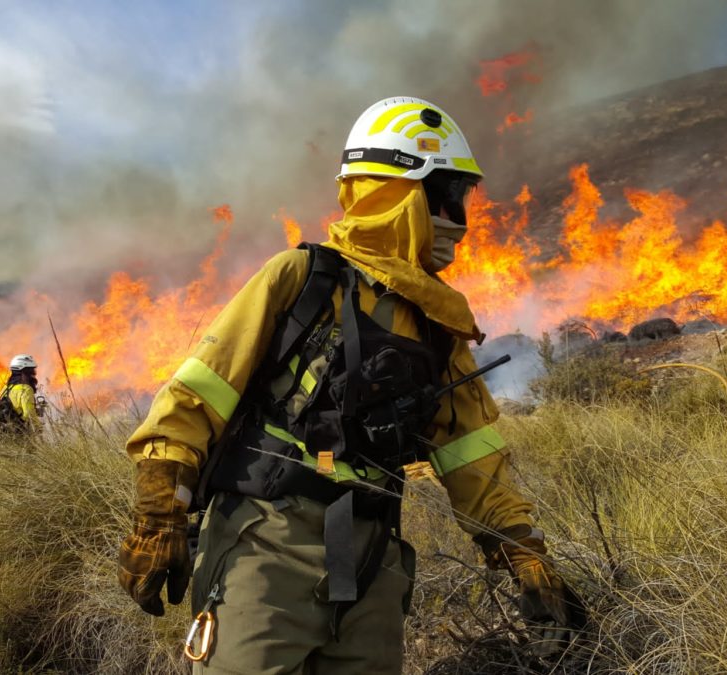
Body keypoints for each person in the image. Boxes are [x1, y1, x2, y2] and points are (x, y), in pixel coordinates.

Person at [117, 96, 584, 674]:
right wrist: (159, 515)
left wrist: (522, 553)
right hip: (264, 543)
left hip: (373, 559)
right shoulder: (302, 280)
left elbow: (471, 455)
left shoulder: (437, 326)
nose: (458, 219)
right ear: (395, 193)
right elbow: (193, 400)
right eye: (447, 195)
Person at [1, 353, 43, 433]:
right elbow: (29, 414)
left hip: (7, 432)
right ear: (25, 371)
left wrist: (36, 410)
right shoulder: (26, 389)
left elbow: (15, 408)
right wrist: (39, 428)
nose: (33, 373)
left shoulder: (6, 388)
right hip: (21, 433)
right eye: (31, 370)